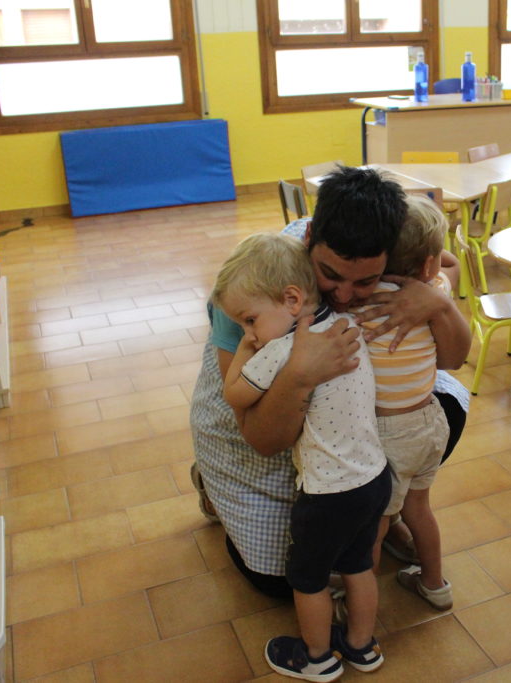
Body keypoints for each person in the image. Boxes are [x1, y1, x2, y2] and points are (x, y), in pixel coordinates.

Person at [188, 166, 470, 599]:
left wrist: (435, 300)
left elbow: (448, 273)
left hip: (344, 421)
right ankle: (212, 485)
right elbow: (260, 436)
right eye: (330, 275)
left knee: (439, 410)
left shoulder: (393, 253)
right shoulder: (259, 284)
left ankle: (384, 512)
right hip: (249, 423)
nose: (342, 295)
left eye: (366, 281)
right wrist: (302, 373)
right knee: (284, 583)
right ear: (309, 238)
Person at [212, 232, 389, 680]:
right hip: (374, 478)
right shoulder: (346, 326)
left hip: (327, 493)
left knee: (307, 578)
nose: (247, 333)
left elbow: (234, 394)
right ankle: (362, 646)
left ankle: (316, 657)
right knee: (358, 563)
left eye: (249, 320)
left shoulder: (280, 349)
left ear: (292, 299)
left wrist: (246, 351)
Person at [355, 195, 453, 610]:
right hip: (430, 420)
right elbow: (447, 265)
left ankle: (365, 607)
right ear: (429, 264)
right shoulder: (436, 291)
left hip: (386, 433)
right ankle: (435, 585)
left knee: (373, 528)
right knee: (420, 510)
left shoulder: (362, 301)